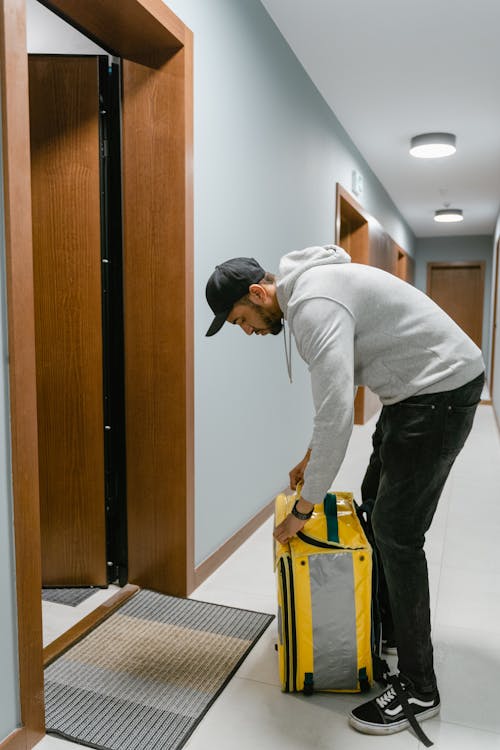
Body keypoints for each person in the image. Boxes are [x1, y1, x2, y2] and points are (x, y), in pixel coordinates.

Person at [204, 245, 485, 740]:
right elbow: (339, 396)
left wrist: (304, 510)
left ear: (258, 293)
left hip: (438, 394)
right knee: (375, 508)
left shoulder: (314, 305)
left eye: (241, 319)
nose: (247, 330)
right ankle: (392, 632)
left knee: (397, 534)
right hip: (413, 395)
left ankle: (421, 688)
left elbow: (335, 413)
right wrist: (311, 458)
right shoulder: (312, 294)